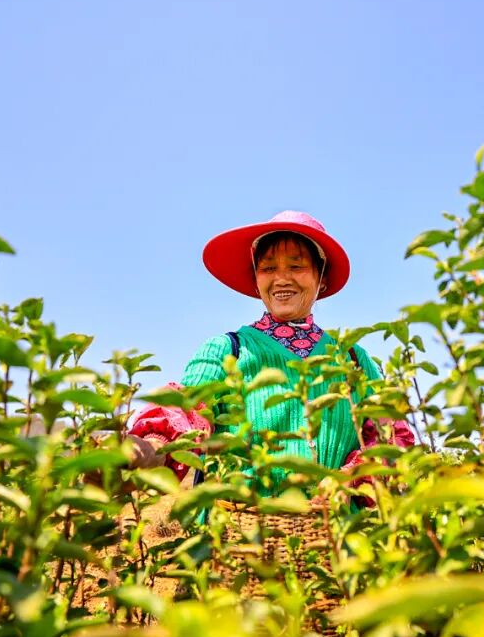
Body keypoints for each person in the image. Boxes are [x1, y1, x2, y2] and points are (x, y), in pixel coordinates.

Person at [125, 210, 414, 495]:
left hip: (334, 524)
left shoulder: (353, 360)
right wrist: (149, 449)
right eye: (268, 268)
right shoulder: (227, 350)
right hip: (238, 523)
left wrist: (349, 479)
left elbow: (390, 441)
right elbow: (186, 411)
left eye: (296, 266)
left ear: (321, 278)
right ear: (256, 279)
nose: (282, 279)